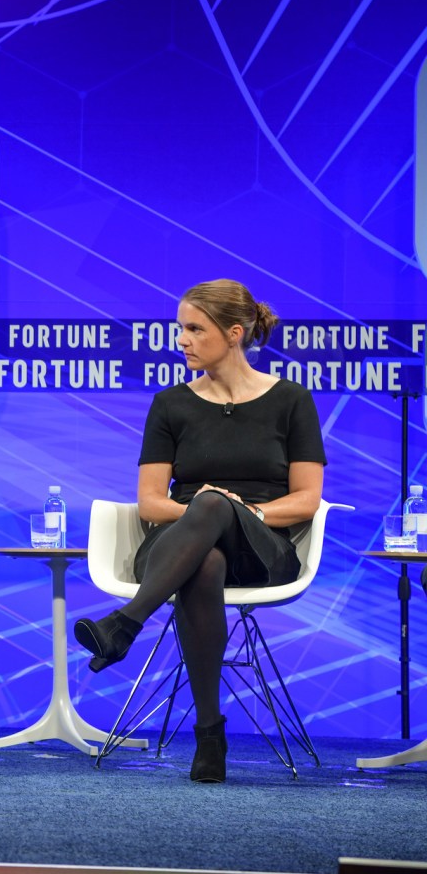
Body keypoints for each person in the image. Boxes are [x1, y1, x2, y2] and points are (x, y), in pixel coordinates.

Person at [73, 279, 326, 783]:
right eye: (180, 329)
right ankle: (210, 733)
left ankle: (125, 625)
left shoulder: (291, 401)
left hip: (260, 548)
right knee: (203, 557)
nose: (181, 340)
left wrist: (240, 512)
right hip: (175, 548)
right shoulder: (171, 404)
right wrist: (205, 514)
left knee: (211, 503)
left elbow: (306, 499)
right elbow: (149, 501)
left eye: (193, 329)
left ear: (234, 333)